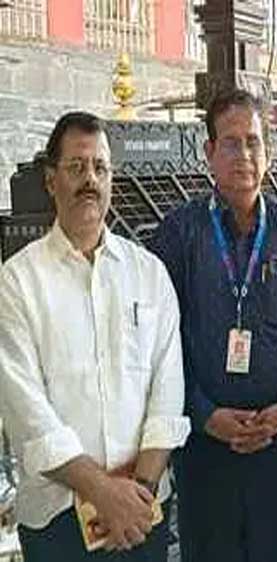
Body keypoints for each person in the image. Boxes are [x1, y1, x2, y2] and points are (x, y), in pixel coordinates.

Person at [0, 112, 190, 561]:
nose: (90, 179)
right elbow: (27, 410)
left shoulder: (149, 274)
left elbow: (167, 391)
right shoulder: (18, 281)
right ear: (51, 181)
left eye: (100, 167)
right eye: (77, 167)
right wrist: (102, 493)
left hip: (142, 512)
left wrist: (137, 494)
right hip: (58, 521)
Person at [152, 89, 277, 562]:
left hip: (276, 442)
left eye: (253, 142)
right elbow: (158, 343)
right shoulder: (179, 234)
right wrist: (203, 413)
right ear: (209, 152)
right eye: (230, 143)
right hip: (204, 443)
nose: (244, 155)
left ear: (267, 151)